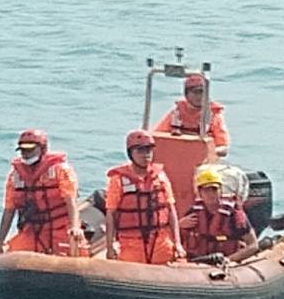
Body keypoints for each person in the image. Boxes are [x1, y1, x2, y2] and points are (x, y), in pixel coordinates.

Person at [0, 128, 86, 256]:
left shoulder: (60, 170)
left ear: (43, 149)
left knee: (77, 252)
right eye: (23, 150)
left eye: (30, 150)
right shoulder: (15, 176)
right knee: (13, 252)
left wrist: (75, 227)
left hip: (60, 227)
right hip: (31, 229)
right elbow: (9, 210)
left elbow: (71, 201)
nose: (26, 154)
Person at [105, 130, 184, 264]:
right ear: (131, 153)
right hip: (130, 242)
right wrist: (110, 245)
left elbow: (171, 210)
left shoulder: (160, 176)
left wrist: (177, 243)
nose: (146, 154)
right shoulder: (118, 179)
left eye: (148, 150)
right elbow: (111, 214)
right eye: (140, 150)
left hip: (160, 240)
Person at [179, 168, 263, 264]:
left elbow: (253, 245)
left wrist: (230, 259)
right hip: (196, 263)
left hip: (224, 263)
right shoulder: (193, 212)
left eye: (214, 189)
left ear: (221, 191)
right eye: (206, 190)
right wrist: (179, 225)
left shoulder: (233, 214)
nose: (211, 194)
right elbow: (176, 239)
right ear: (200, 192)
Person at [154, 72, 230, 157]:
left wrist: (212, 151)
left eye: (202, 92)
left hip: (203, 159)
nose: (199, 96)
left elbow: (223, 146)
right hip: (176, 155)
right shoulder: (177, 113)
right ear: (186, 94)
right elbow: (157, 135)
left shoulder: (214, 115)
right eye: (195, 92)